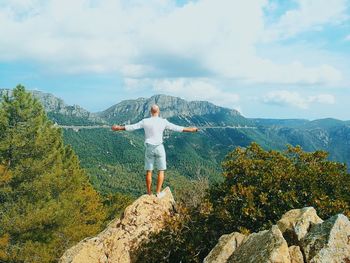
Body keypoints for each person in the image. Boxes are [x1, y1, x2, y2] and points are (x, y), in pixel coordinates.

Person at [111, 104, 198, 198]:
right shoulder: (163, 122)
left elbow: (132, 127)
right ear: (158, 111)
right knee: (161, 170)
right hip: (159, 147)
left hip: (149, 148)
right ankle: (158, 192)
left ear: (150, 112)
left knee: (149, 171)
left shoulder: (145, 121)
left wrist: (118, 128)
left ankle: (149, 193)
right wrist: (191, 129)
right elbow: (178, 128)